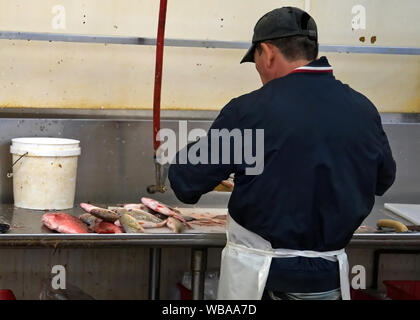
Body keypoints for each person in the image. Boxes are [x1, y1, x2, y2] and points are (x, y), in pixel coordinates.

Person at [168, 7, 396, 300]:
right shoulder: (363, 110)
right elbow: (382, 181)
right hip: (330, 283)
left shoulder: (249, 111)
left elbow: (186, 183)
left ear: (268, 52)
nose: (259, 70)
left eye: (256, 61)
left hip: (262, 282)